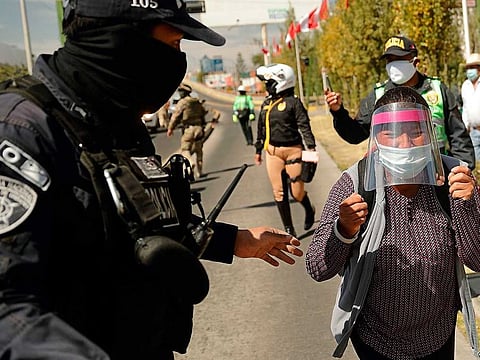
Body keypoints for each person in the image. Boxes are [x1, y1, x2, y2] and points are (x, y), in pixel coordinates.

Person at [0, 1, 304, 359]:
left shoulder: (119, 123)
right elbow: (9, 313)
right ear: (121, 42)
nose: (178, 60)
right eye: (174, 44)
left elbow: (143, 224)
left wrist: (233, 241)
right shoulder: (22, 132)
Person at [306, 86, 480, 359]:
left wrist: (468, 206)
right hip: (375, 339)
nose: (405, 144)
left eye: (415, 132)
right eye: (393, 133)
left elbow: (477, 260)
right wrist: (344, 230)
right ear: (375, 138)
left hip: (438, 335)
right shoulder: (356, 183)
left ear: (431, 133)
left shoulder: (453, 178)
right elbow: (317, 267)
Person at [326, 35, 475, 169]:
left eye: (399, 59)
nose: (393, 65)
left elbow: (458, 135)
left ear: (415, 61)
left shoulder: (437, 89)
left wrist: (463, 169)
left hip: (435, 175)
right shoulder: (378, 95)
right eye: (389, 60)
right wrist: (339, 112)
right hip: (392, 179)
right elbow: (356, 135)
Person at [254, 63, 317, 237]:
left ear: (282, 81)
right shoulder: (267, 104)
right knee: (279, 192)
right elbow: (261, 128)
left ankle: (308, 209)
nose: (267, 86)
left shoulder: (294, 103)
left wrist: (311, 150)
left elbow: (304, 126)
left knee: (296, 193)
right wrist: (258, 150)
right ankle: (289, 229)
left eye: (270, 82)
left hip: (293, 151)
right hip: (272, 153)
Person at [167, 83, 208, 178]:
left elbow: (175, 116)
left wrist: (170, 128)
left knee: (185, 149)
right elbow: (203, 113)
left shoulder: (182, 103)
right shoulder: (196, 101)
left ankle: (190, 162)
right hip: (199, 128)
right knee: (199, 150)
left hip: (189, 129)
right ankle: (200, 171)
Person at [461, 53, 480, 168]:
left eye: (472, 67)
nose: (469, 71)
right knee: (477, 165)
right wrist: (465, 126)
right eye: (468, 68)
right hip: (473, 132)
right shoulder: (465, 86)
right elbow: (465, 107)